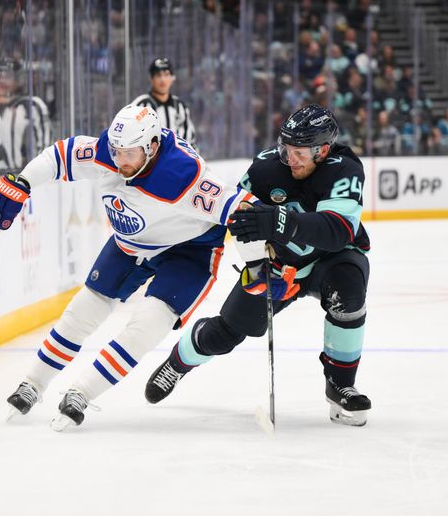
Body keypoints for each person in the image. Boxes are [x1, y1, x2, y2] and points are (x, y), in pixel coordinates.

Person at [0, 104, 263, 430]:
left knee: (147, 324)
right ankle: (33, 384)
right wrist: (23, 183)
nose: (120, 161)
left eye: (128, 153)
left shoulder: (181, 175)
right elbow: (57, 157)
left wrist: (259, 264)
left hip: (190, 251)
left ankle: (82, 392)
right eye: (116, 151)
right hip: (130, 244)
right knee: (82, 311)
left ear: (152, 146)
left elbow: (243, 211)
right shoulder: (108, 150)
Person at [144, 105, 374, 427]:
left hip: (329, 260)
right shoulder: (267, 168)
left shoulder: (344, 168)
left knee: (349, 291)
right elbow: (238, 221)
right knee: (225, 333)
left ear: (322, 150)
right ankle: (179, 362)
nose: (289, 158)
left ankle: (340, 385)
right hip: (277, 265)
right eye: (285, 148)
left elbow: (338, 231)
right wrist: (257, 266)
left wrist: (282, 223)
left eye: (299, 152)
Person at [0, 60, 51, 173]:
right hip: (5, 181)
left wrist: (36, 174)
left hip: (32, 180)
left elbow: (45, 147)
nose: (1, 80)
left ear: (19, 79)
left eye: (7, 76)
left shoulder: (34, 106)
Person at [131, 58, 196, 147]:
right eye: (158, 75)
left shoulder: (180, 106)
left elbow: (190, 139)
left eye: (166, 74)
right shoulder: (140, 105)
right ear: (151, 78)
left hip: (175, 159)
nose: (163, 79)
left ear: (173, 78)